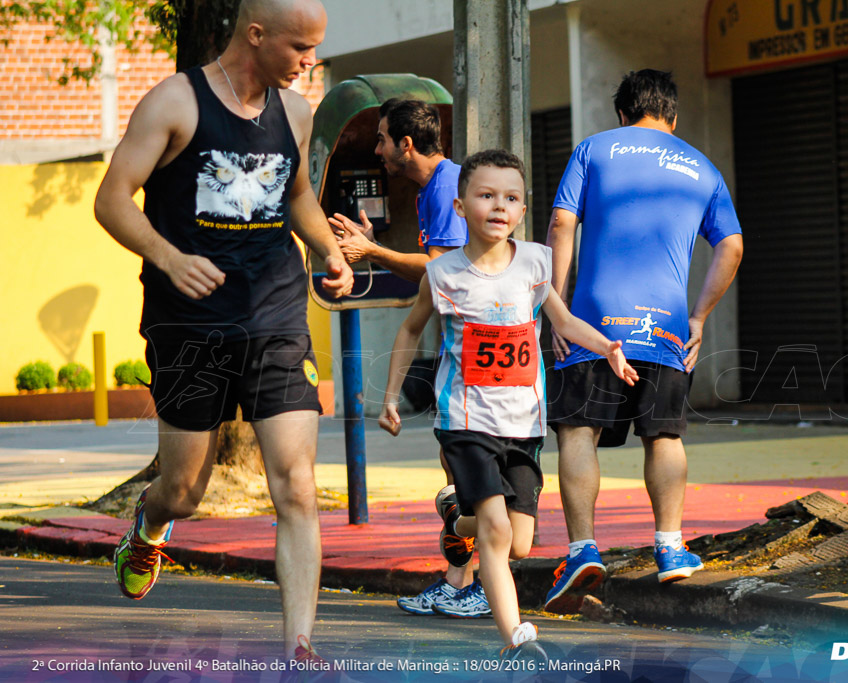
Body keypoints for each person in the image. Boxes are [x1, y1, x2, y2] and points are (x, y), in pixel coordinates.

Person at [93, 0, 353, 659]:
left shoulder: (295, 111)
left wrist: (328, 249)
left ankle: (299, 646)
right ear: (256, 34)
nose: (309, 62)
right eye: (299, 48)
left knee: (294, 482)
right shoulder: (174, 103)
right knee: (184, 489)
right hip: (189, 319)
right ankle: (149, 527)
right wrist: (170, 258)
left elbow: (295, 194)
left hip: (274, 310)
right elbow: (113, 197)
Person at [376, 149, 638, 658]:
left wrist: (606, 347)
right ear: (460, 205)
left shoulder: (537, 263)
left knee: (517, 542)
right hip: (466, 421)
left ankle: (456, 516)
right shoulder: (443, 273)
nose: (499, 206)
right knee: (496, 531)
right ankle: (515, 637)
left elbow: (561, 322)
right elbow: (410, 328)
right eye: (486, 195)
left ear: (522, 210)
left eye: (510, 198)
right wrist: (391, 396)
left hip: (524, 423)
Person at [543, 69, 744, 613]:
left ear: (621, 113)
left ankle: (584, 549)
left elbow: (562, 224)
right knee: (664, 436)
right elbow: (731, 246)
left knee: (577, 431)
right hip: (666, 329)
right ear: (672, 117)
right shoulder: (701, 166)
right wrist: (699, 315)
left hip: (592, 324)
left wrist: (557, 308)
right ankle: (672, 547)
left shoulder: (593, 149)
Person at [327, 99, 486, 618]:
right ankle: (459, 582)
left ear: (406, 145)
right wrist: (375, 244)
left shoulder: (445, 188)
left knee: (470, 474)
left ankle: (475, 584)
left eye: (381, 140)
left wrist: (372, 253)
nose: (376, 150)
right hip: (461, 347)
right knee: (457, 468)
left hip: (478, 352)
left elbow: (440, 269)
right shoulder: (434, 189)